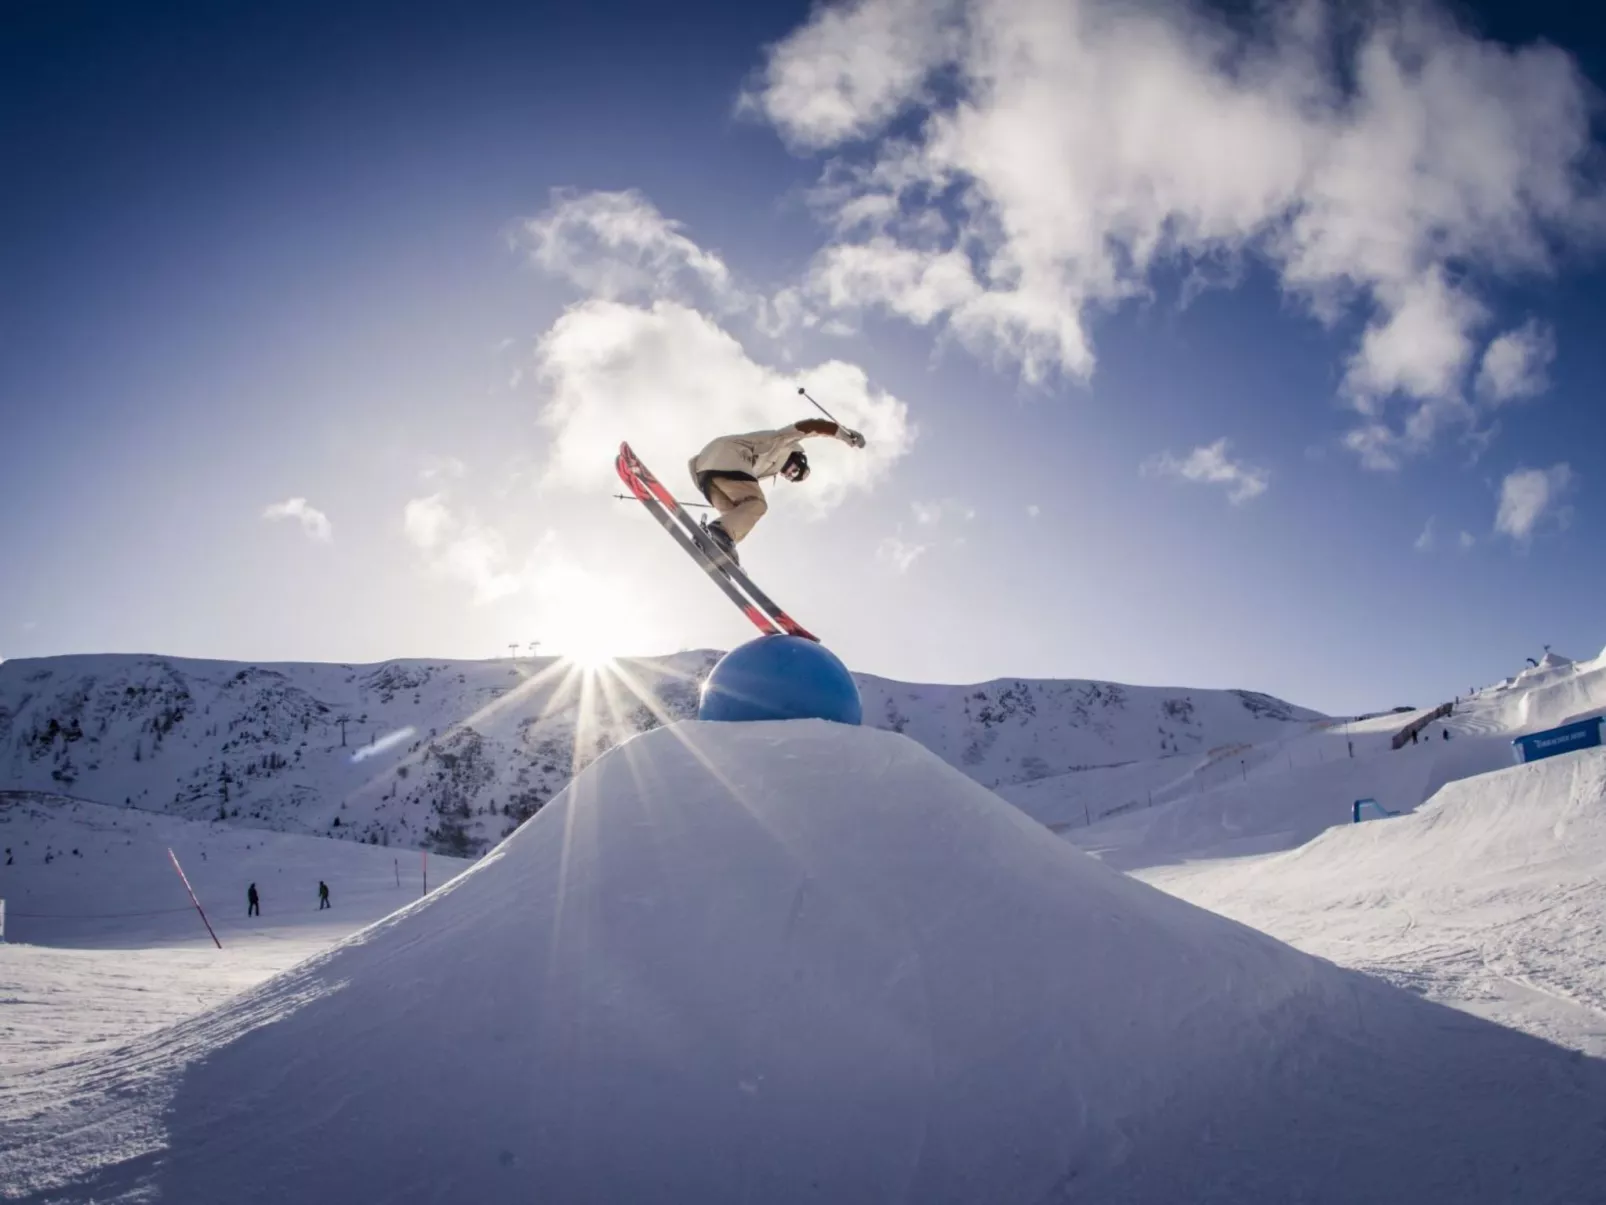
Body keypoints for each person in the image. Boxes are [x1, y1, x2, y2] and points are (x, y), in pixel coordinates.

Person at [687, 418, 866, 565]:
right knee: (757, 504)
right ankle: (720, 534)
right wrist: (843, 434)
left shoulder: (765, 468)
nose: (788, 474)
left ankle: (718, 545)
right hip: (727, 458)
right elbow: (812, 426)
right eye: (795, 470)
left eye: (791, 477)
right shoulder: (783, 442)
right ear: (798, 457)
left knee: (737, 514)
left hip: (704, 473)